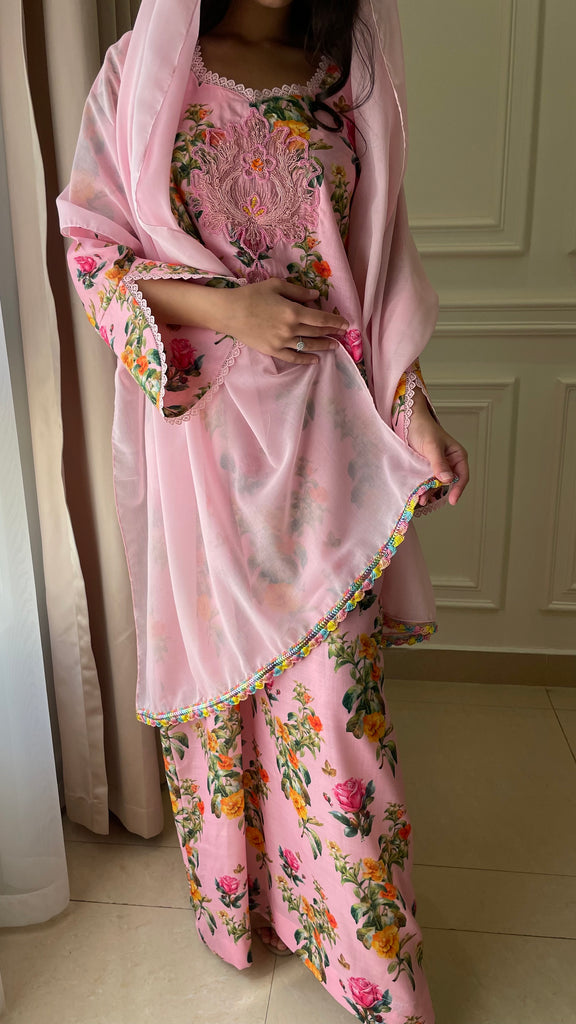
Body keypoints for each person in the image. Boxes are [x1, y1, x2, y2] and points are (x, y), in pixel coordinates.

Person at [57, 0, 469, 1019]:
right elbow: (93, 250)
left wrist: (417, 413)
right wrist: (228, 308)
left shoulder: (342, 75)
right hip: (207, 449)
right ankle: (248, 912)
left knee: (338, 708)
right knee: (226, 704)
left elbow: (375, 274)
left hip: (327, 444)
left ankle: (378, 968)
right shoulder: (144, 70)